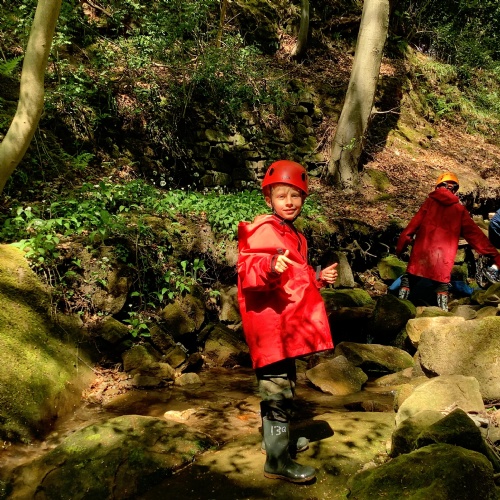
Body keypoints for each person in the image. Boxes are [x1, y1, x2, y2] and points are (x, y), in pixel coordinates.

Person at [237, 160, 338, 483]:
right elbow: (247, 268)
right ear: (269, 199)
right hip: (270, 328)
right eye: (282, 196)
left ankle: (275, 442)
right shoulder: (264, 228)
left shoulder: (292, 233)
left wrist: (319, 277)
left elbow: (296, 276)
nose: (290, 202)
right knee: (277, 389)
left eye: (295, 195)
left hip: (283, 326)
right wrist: (268, 266)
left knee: (285, 385)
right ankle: (277, 461)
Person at [396, 171, 500, 311]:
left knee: (408, 280)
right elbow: (476, 237)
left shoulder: (429, 203)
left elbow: (410, 229)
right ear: (455, 190)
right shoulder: (459, 210)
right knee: (442, 288)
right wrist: (495, 256)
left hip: (420, 258)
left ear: (438, 186)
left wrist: (400, 249)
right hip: (443, 263)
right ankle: (444, 315)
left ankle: (398, 307)